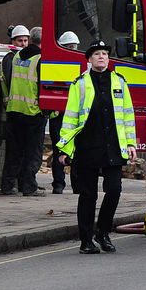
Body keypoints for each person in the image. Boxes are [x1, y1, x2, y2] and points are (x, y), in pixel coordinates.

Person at [57, 40, 137, 254]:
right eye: (97, 54)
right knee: (88, 195)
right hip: (87, 147)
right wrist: (65, 149)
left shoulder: (119, 81)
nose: (102, 57)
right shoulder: (79, 84)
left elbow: (128, 116)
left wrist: (131, 143)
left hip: (113, 146)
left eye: (104, 53)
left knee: (114, 190)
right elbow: (70, 117)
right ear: (89, 59)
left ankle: (102, 232)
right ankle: (86, 241)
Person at [2, 24, 44, 196]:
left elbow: (6, 79)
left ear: (31, 39)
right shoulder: (41, 59)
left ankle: (7, 185)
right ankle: (28, 186)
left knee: (14, 151)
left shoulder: (16, 56)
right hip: (33, 111)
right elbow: (44, 86)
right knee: (33, 152)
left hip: (14, 109)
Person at [47, 30, 82, 194]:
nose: (71, 50)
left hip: (73, 117)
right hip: (59, 115)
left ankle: (76, 185)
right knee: (59, 150)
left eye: (73, 47)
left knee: (77, 151)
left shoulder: (82, 67)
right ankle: (59, 184)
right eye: (68, 47)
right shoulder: (55, 65)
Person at [0, 25, 32, 194]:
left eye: (26, 40)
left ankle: (20, 183)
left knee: (23, 151)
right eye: (20, 40)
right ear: (12, 41)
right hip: (13, 110)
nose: (24, 44)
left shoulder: (22, 58)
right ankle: (8, 185)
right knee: (14, 152)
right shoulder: (10, 58)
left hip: (22, 109)